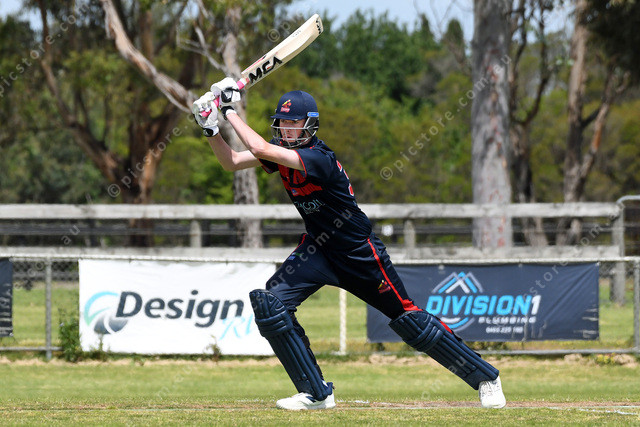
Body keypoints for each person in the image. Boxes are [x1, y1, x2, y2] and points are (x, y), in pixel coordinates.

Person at [192, 78, 506, 411]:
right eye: (282, 122)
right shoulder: (280, 153)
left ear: (310, 125)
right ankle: (316, 393)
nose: (286, 129)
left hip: (358, 253)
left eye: (293, 122)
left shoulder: (319, 158)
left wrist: (229, 109)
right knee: (270, 304)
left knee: (409, 322)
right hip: (317, 250)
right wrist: (211, 128)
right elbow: (232, 162)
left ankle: (486, 378)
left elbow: (260, 149)